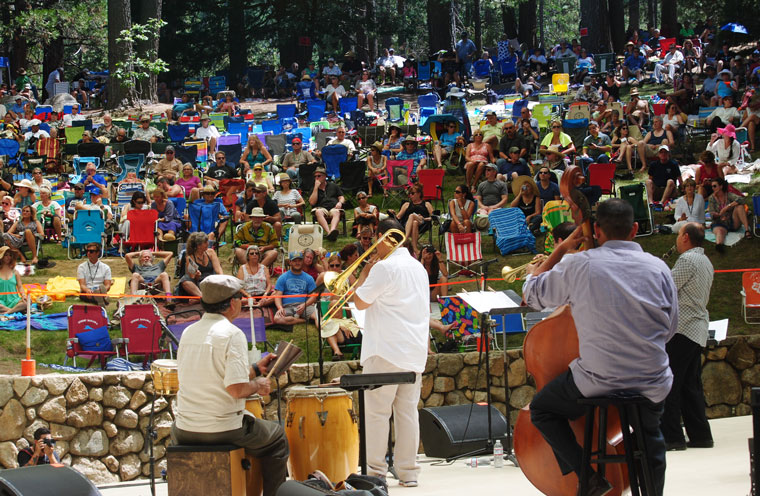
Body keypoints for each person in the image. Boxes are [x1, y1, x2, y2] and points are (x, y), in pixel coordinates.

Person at [524, 198, 677, 496]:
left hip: (598, 380)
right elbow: (669, 330)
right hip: (652, 378)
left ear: (596, 229)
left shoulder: (579, 264)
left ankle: (590, 477)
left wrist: (561, 248)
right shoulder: (659, 268)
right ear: (634, 229)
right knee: (650, 434)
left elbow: (533, 294)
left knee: (542, 409)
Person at [171, 275, 288, 496]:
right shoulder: (232, 334)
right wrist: (257, 384)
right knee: (277, 439)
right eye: (239, 298)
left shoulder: (188, 331)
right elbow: (235, 389)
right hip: (221, 429)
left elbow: (212, 375)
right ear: (232, 303)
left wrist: (254, 368)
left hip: (184, 429)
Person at [352, 218, 429, 488]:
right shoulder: (418, 267)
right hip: (413, 350)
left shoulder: (384, 268)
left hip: (385, 349)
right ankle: (409, 471)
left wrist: (362, 275)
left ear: (385, 237)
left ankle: (375, 472)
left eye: (376, 238)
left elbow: (360, 302)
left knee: (376, 413)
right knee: (408, 413)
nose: (374, 245)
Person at [661, 223, 715, 451]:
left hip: (682, 328)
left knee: (671, 382)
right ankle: (700, 434)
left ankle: (672, 437)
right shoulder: (705, 261)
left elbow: (666, 288)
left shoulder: (687, 261)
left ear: (685, 237)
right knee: (690, 384)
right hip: (696, 328)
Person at [273, 251, 318, 326]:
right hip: (288, 306)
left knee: (318, 317)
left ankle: (324, 334)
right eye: (294, 261)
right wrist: (280, 308)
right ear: (290, 262)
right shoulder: (283, 277)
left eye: (299, 260)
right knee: (277, 319)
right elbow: (277, 296)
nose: (297, 263)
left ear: (302, 261)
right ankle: (303, 320)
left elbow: (314, 296)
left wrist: (304, 305)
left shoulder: (309, 278)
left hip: (305, 306)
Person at [708, 178, 751, 250]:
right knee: (720, 231)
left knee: (739, 206)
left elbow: (741, 199)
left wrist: (727, 207)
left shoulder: (728, 195)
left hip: (732, 221)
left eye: (714, 186)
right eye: (712, 186)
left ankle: (747, 230)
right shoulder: (711, 198)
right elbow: (712, 214)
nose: (713, 188)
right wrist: (718, 215)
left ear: (721, 186)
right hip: (719, 222)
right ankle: (719, 245)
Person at [177, 231, 223, 296]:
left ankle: (203, 298)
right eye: (205, 242)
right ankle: (202, 297)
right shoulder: (190, 257)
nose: (208, 243)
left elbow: (218, 269)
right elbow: (192, 277)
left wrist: (222, 278)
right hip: (199, 282)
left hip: (212, 279)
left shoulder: (211, 252)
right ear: (199, 246)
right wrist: (197, 276)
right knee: (185, 282)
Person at [395, 183, 433, 257]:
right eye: (409, 194)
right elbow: (398, 217)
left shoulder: (426, 204)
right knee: (414, 221)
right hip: (408, 224)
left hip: (423, 223)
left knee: (412, 216)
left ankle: (405, 239)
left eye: (412, 193)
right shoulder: (406, 204)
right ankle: (415, 249)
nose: (410, 196)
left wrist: (424, 218)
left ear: (419, 194)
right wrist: (392, 213)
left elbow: (433, 217)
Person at [309, 166, 345, 242]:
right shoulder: (313, 188)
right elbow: (312, 202)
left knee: (336, 212)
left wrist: (340, 202)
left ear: (325, 176)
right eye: (315, 176)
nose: (317, 178)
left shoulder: (333, 185)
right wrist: (316, 188)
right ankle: (329, 233)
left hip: (334, 207)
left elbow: (341, 197)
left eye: (319, 176)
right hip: (321, 208)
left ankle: (332, 231)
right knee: (318, 212)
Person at [77, 242, 113, 306]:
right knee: (84, 295)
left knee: (99, 292)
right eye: (87, 251)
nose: (88, 253)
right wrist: (87, 290)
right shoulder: (81, 267)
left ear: (97, 253)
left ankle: (100, 298)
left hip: (100, 290)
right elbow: (82, 285)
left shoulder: (106, 268)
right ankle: (102, 299)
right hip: (87, 291)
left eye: (91, 251)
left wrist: (101, 290)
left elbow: (108, 285)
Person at [0, 246, 27, 314]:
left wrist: (23, 296)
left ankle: (7, 312)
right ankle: (14, 310)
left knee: (27, 302)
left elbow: (20, 287)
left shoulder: (15, 272)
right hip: (1, 301)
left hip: (14, 300)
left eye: (10, 255)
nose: (8, 257)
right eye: (6, 255)